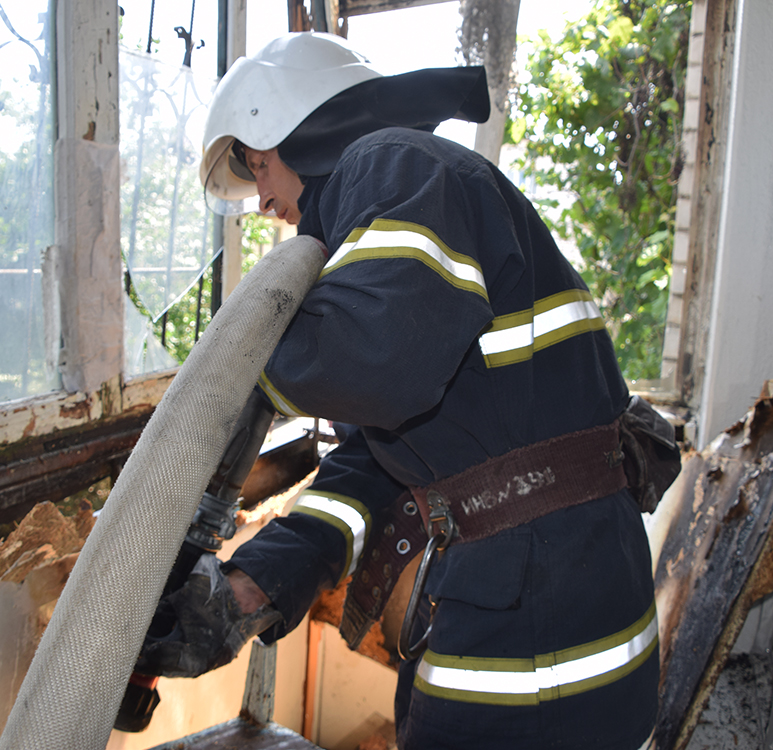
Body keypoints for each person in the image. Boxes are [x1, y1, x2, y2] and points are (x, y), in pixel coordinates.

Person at [137, 31, 659, 750]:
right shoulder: (411, 213)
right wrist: (254, 585)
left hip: (535, 628)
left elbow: (371, 367)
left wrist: (243, 358)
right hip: (558, 586)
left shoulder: (392, 163)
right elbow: (374, 462)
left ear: (309, 131)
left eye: (259, 165)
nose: (263, 201)